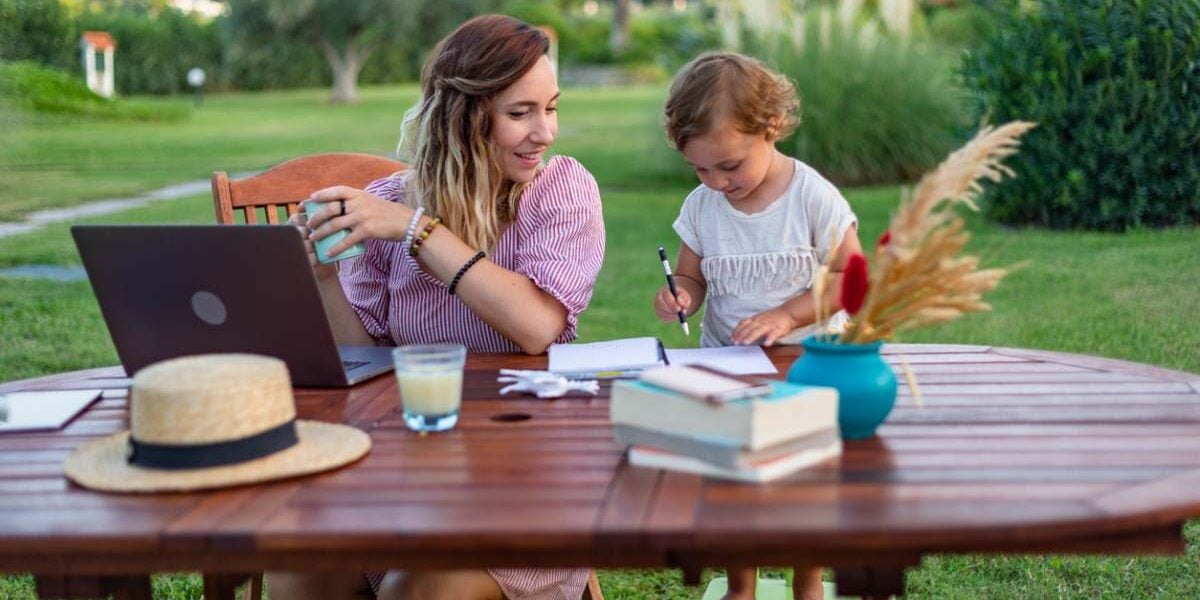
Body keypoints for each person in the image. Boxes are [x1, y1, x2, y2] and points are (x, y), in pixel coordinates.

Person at [268, 14, 605, 600]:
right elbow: (367, 360)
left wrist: (418, 232)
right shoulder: (388, 201)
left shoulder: (563, 190)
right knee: (297, 570)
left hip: (525, 477)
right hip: (410, 469)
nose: (545, 132)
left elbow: (536, 327)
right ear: (464, 116)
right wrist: (322, 276)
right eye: (520, 113)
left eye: (550, 108)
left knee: (417, 590)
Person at [651, 51, 863, 600]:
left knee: (806, 486)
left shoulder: (811, 196)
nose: (717, 182)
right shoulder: (702, 207)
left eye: (730, 165)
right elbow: (694, 279)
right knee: (733, 485)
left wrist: (787, 315)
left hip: (808, 368)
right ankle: (740, 586)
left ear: (770, 127)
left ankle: (807, 584)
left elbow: (848, 277)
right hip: (730, 369)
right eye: (700, 169)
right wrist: (681, 294)